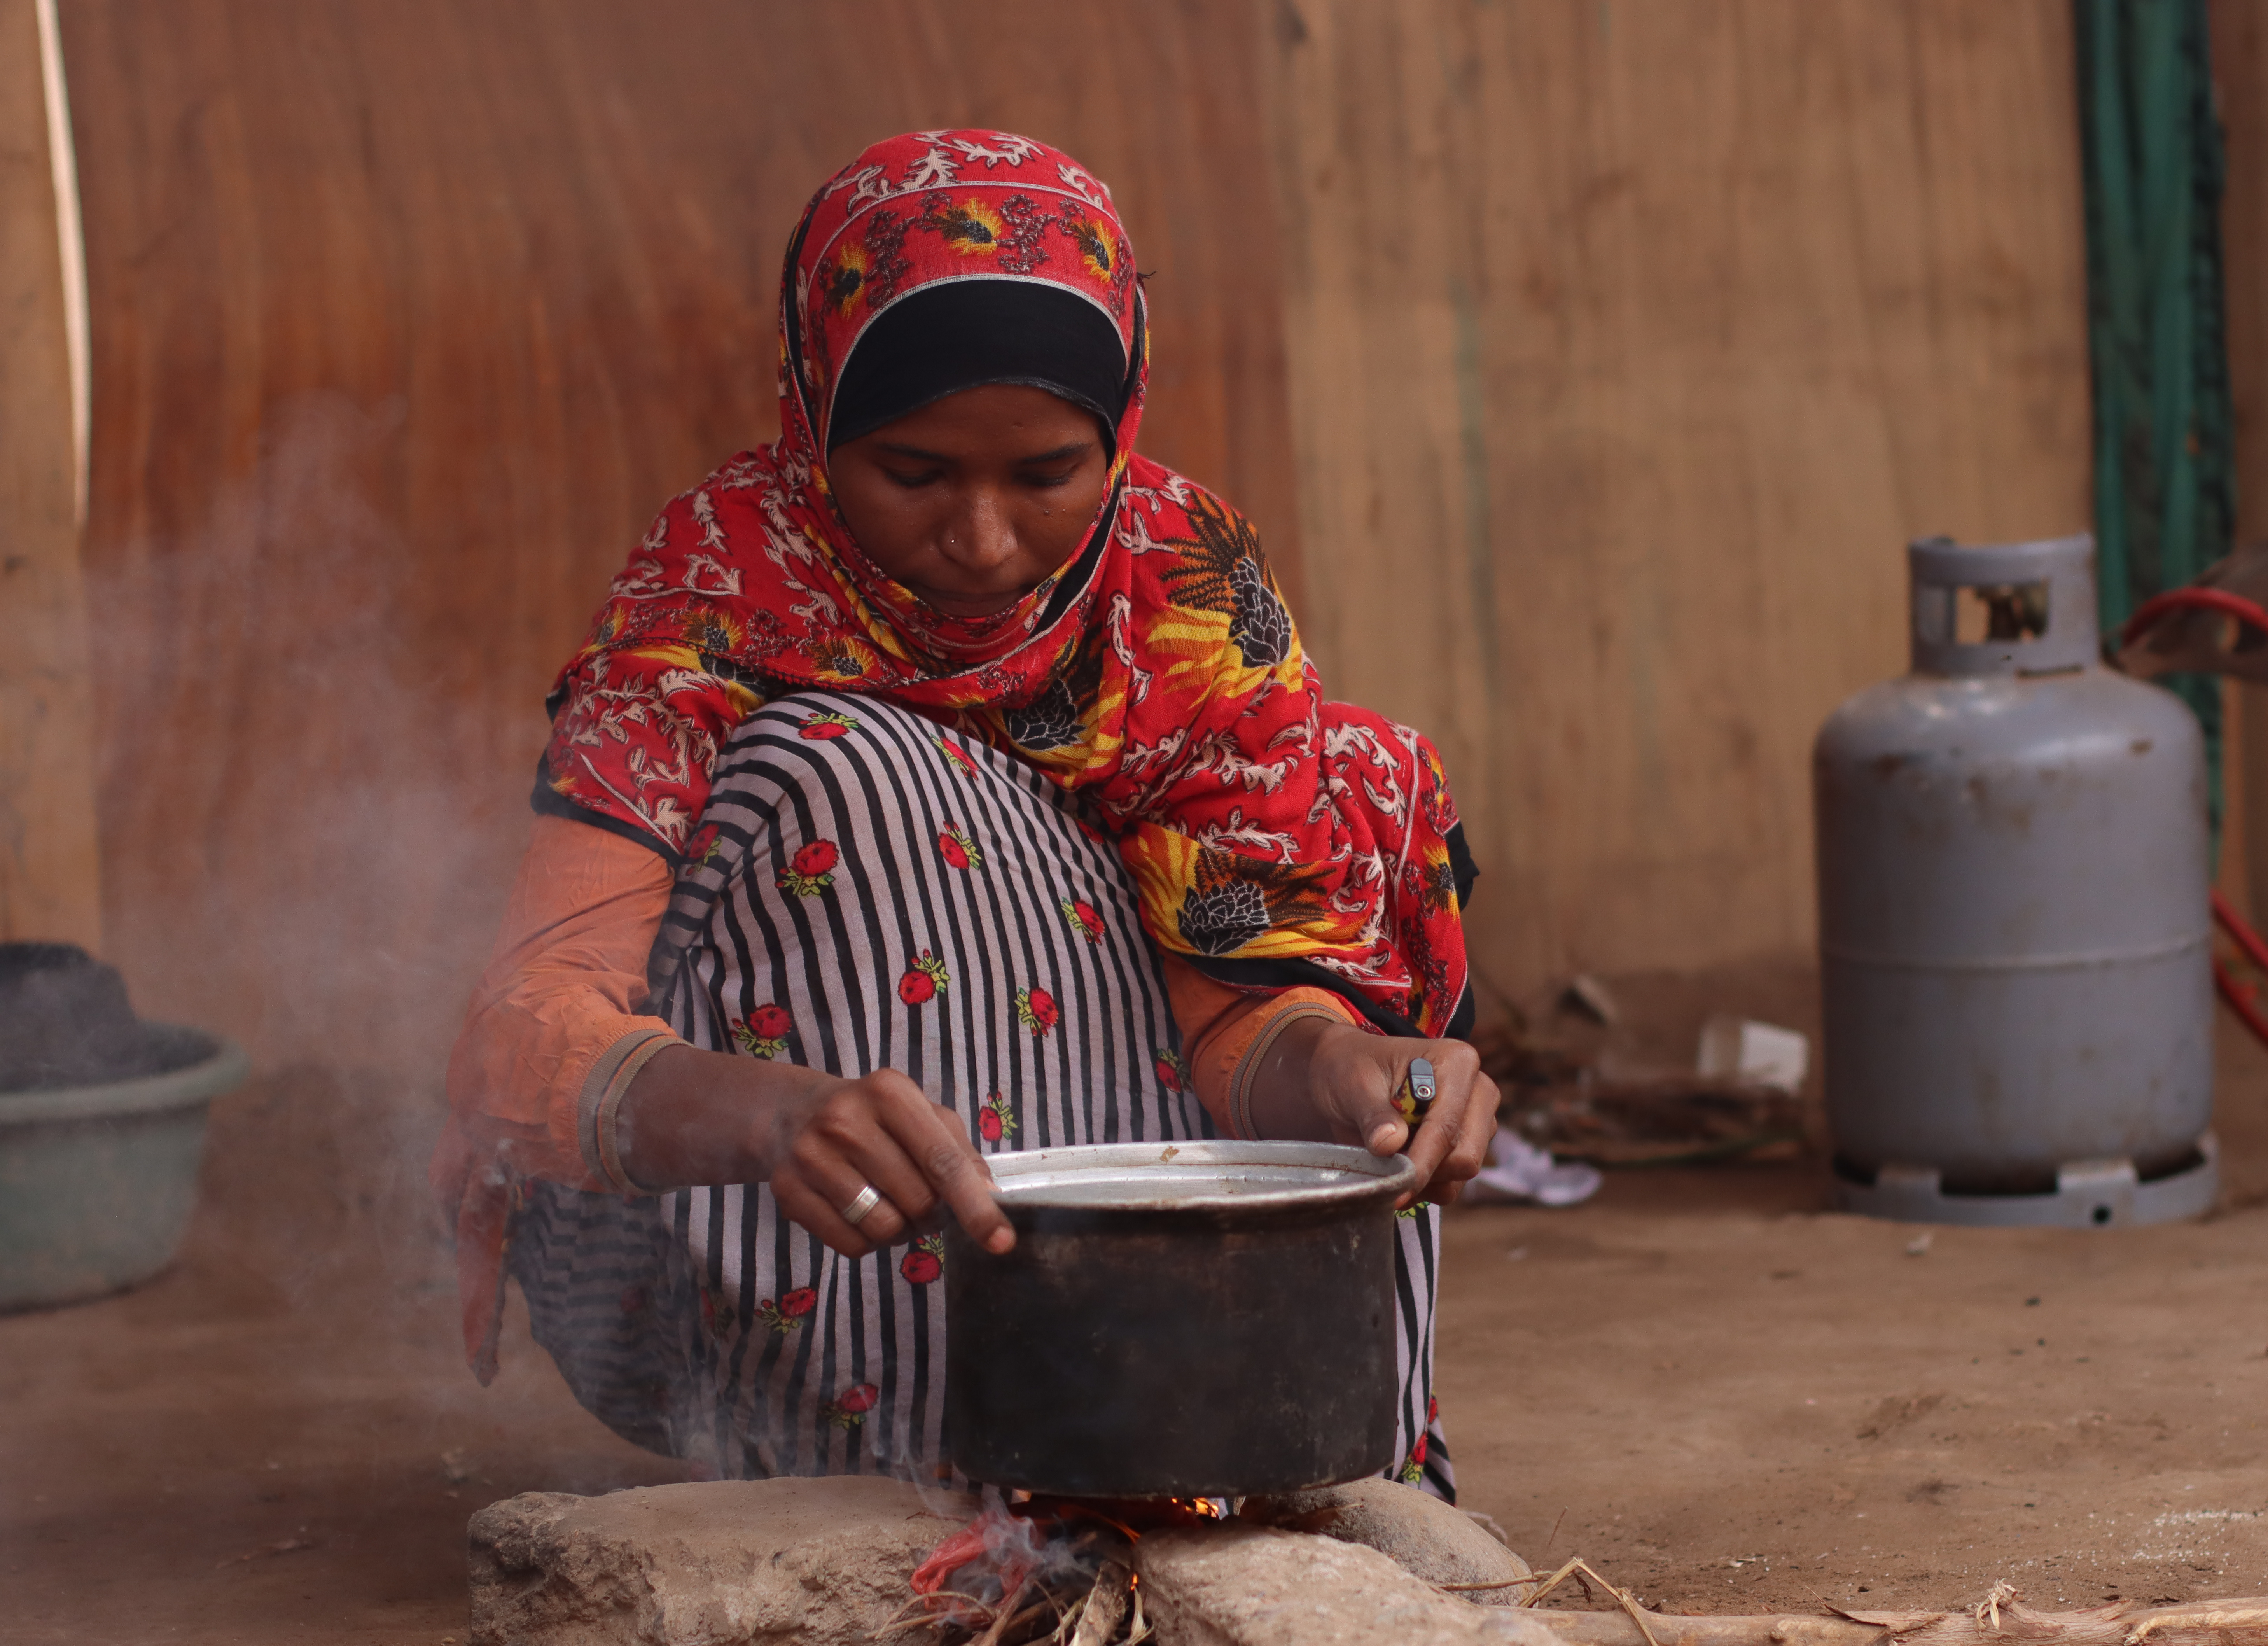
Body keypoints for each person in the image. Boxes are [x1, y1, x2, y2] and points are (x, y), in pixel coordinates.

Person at [431, 130, 1498, 1494]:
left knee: (1359, 771)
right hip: (738, 1242)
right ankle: (942, 1486)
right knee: (845, 770)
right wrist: (765, 1117)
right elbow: (522, 1042)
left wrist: (1341, 1066)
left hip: (1109, 1218)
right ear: (815, 413)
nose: (984, 543)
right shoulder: (718, 590)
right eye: (916, 473)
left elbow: (1231, 1015)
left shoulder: (1181, 593)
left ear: (1118, 435)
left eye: (1047, 474)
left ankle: (1246, 1462)